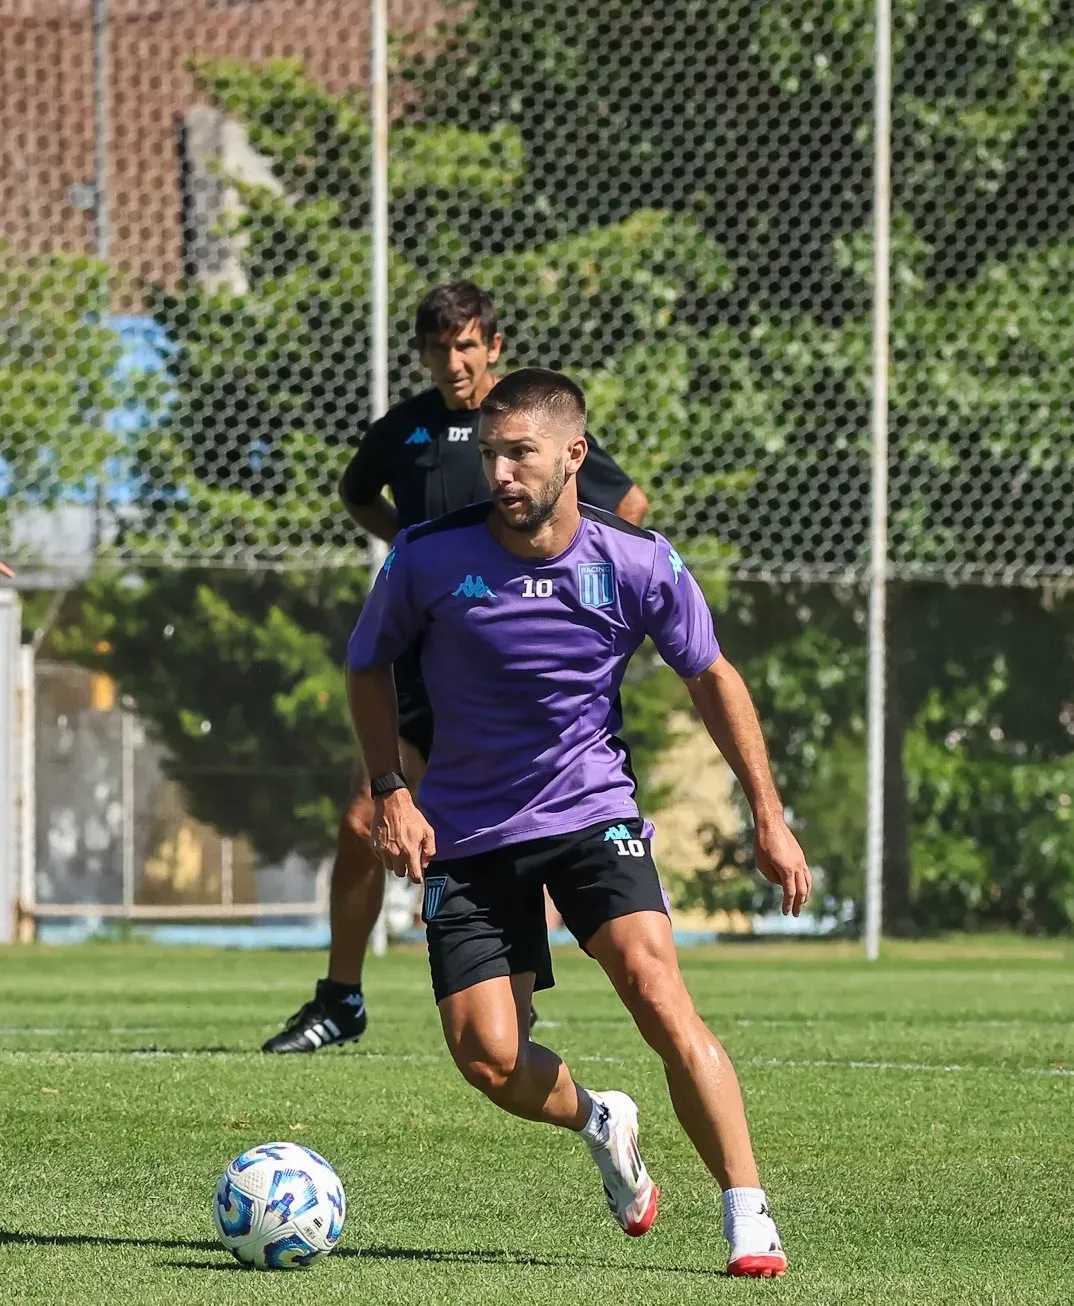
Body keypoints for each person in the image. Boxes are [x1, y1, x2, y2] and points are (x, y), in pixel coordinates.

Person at [345, 368, 811, 1277]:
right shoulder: (428, 558)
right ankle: (603, 1119)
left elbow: (713, 677)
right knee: (487, 1057)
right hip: (469, 834)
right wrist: (391, 789)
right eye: (491, 455)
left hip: (590, 813)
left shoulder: (633, 560)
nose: (502, 474)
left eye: (520, 453)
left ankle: (748, 1212)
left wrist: (769, 814)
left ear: (573, 454)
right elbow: (368, 666)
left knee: (655, 989)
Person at [263, 283, 648, 1053]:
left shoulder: (522, 426)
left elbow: (628, 504)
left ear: (493, 348)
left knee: (514, 827)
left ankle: (516, 1007)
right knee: (363, 819)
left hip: (500, 676)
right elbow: (356, 495)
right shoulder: (401, 430)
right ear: (423, 355)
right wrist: (414, 561)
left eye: (467, 344)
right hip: (423, 658)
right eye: (440, 347)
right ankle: (341, 997)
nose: (454, 361)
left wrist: (565, 595)